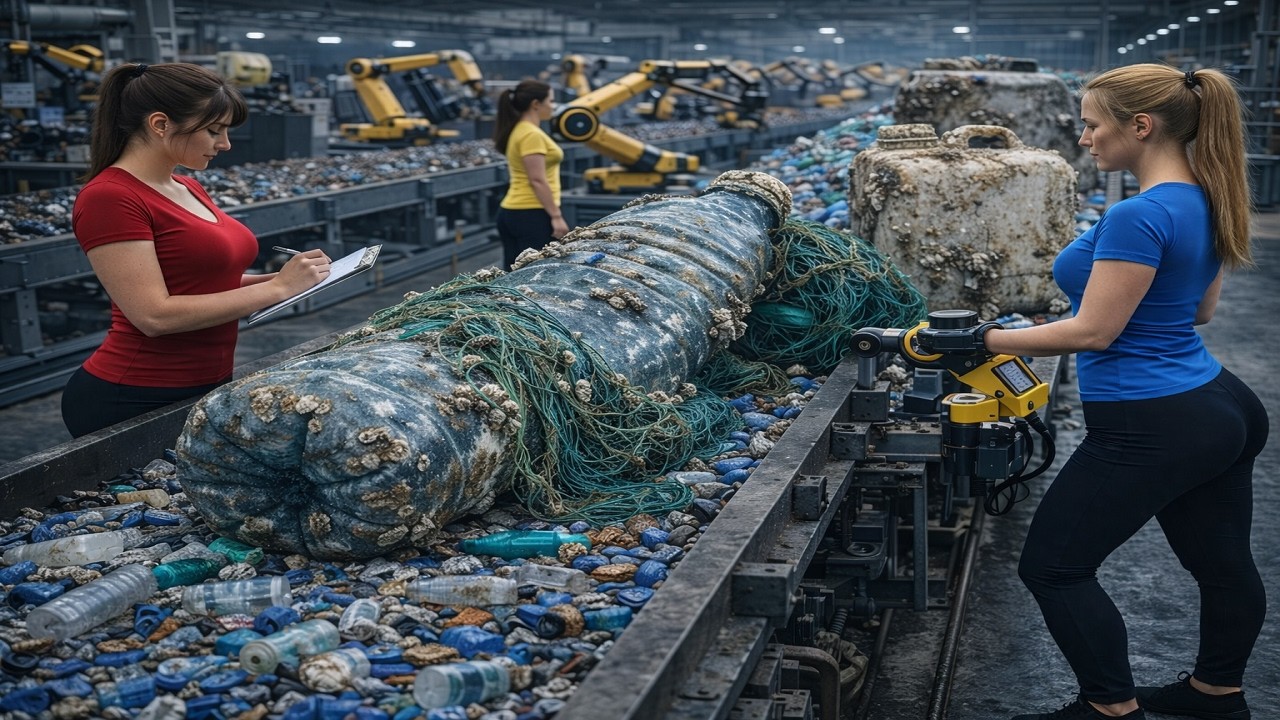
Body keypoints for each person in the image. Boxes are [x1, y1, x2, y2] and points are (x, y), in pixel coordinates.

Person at [972, 64, 1269, 720]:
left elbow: (1095, 332)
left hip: (1151, 420)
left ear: (1141, 126)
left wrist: (984, 341)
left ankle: (1110, 708)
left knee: (1053, 568)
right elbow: (1199, 312)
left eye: (1092, 123)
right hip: (1219, 406)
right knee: (1222, 567)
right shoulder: (1206, 196)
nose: (1084, 138)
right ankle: (1216, 696)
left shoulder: (1140, 213)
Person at [63, 62, 331, 437]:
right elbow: (153, 316)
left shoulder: (188, 187)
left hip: (205, 383)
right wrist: (277, 290)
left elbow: (198, 279)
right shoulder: (110, 197)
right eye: (213, 131)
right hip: (135, 395)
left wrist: (284, 278)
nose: (225, 144)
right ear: (160, 125)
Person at [493, 79, 567, 269]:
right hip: (531, 213)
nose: (553, 106)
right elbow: (537, 180)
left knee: (513, 276)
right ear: (536, 104)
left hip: (515, 212)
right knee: (537, 274)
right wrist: (556, 216)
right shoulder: (531, 135)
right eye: (550, 101)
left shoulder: (520, 130)